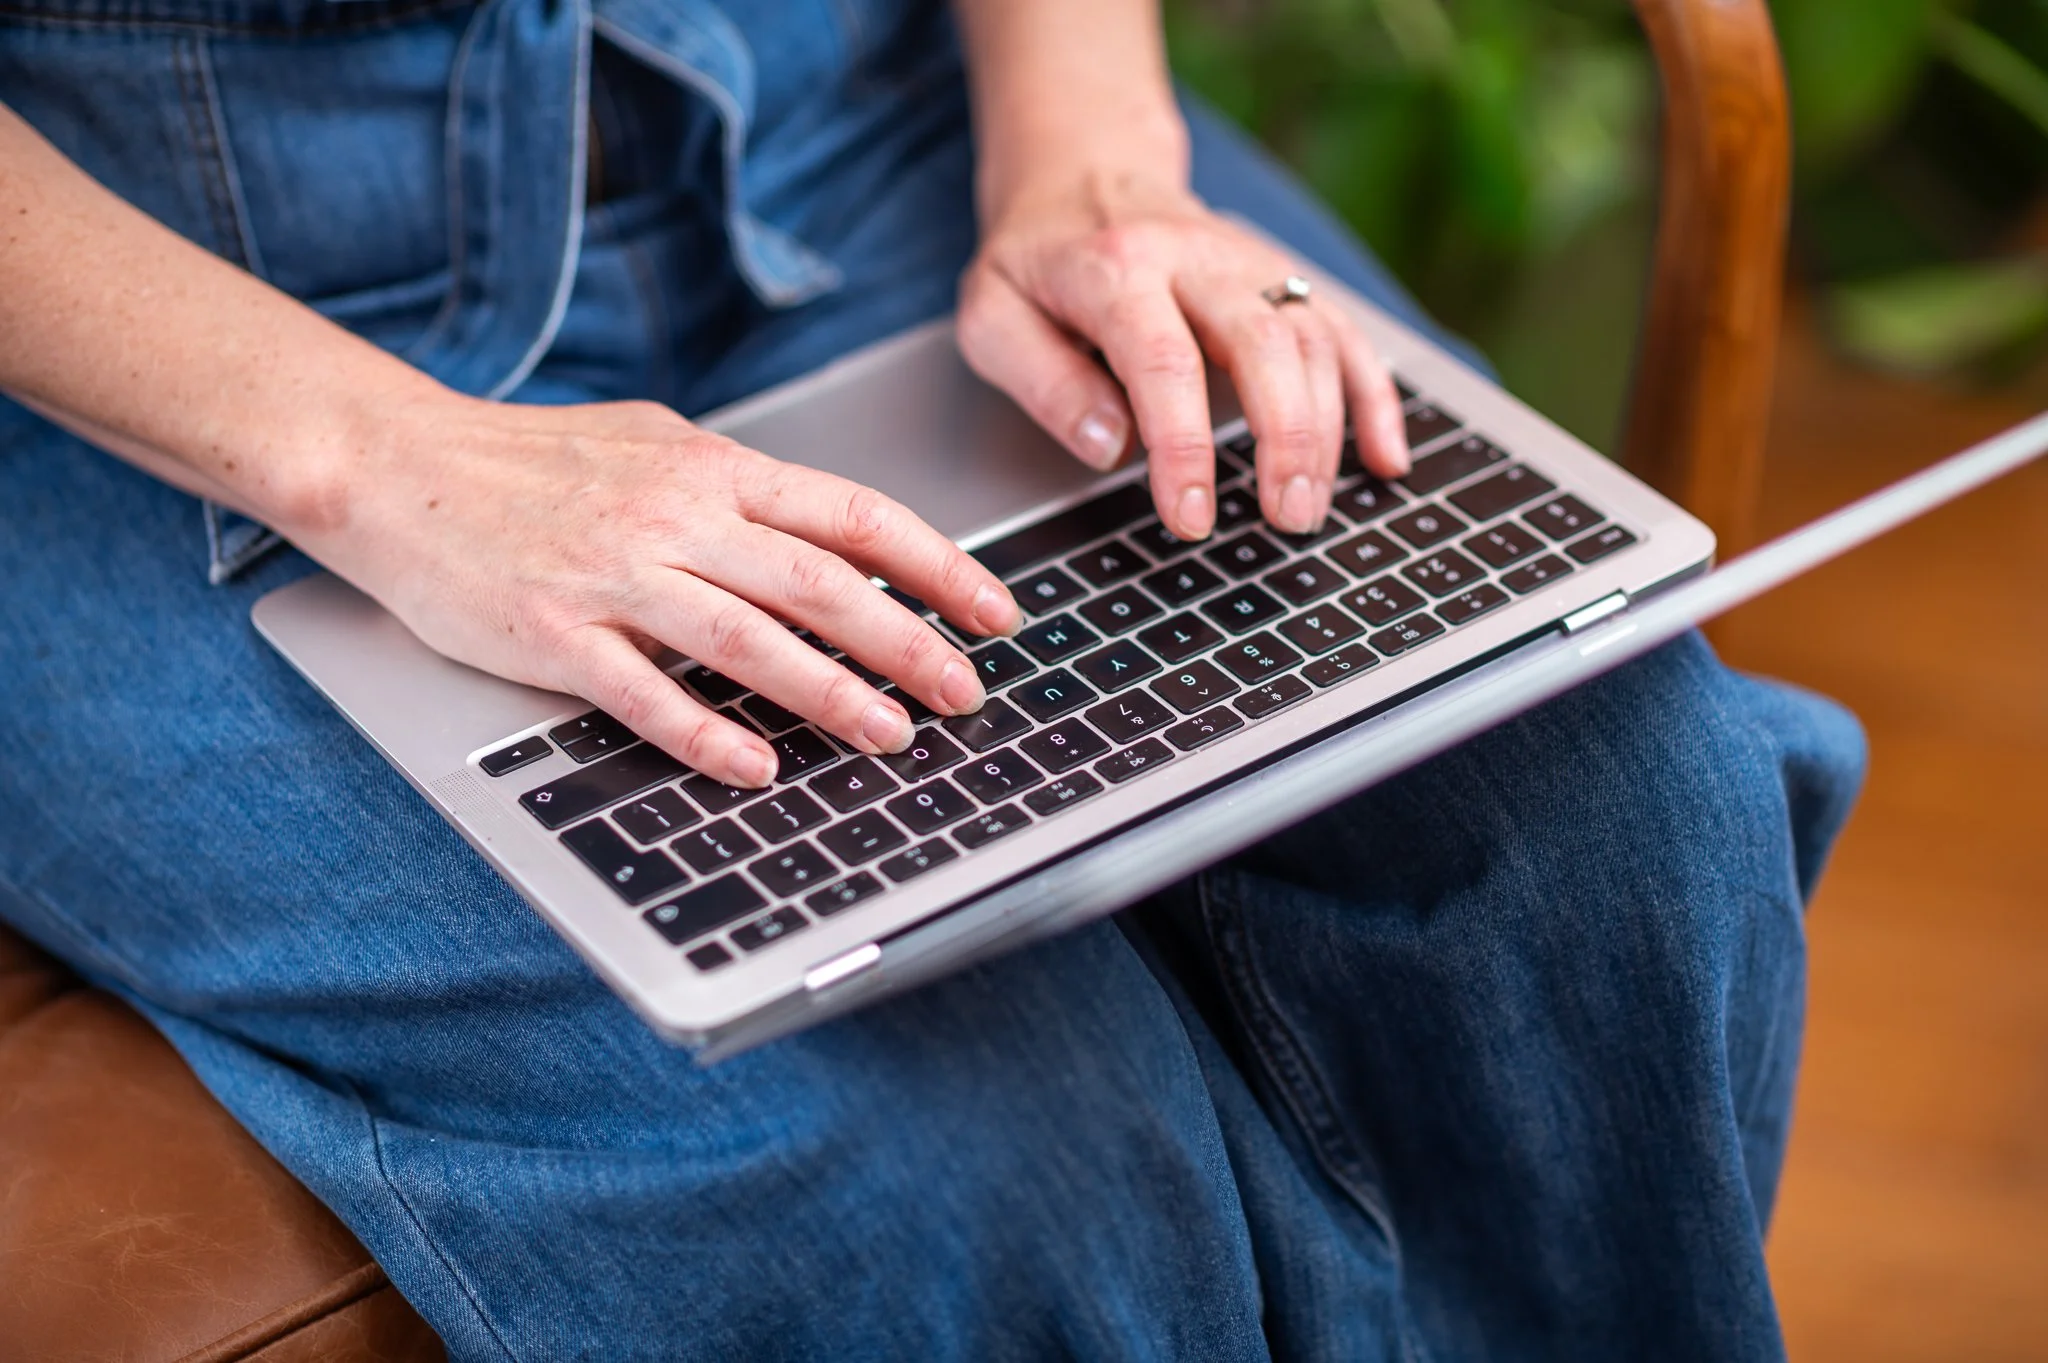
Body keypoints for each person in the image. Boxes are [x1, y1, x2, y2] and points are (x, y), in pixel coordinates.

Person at [0, 1, 1865, 1358]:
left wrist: (1095, 155)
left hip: (868, 100)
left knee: (1614, 816)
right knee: (976, 1153)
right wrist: (377, 461)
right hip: (152, 304)